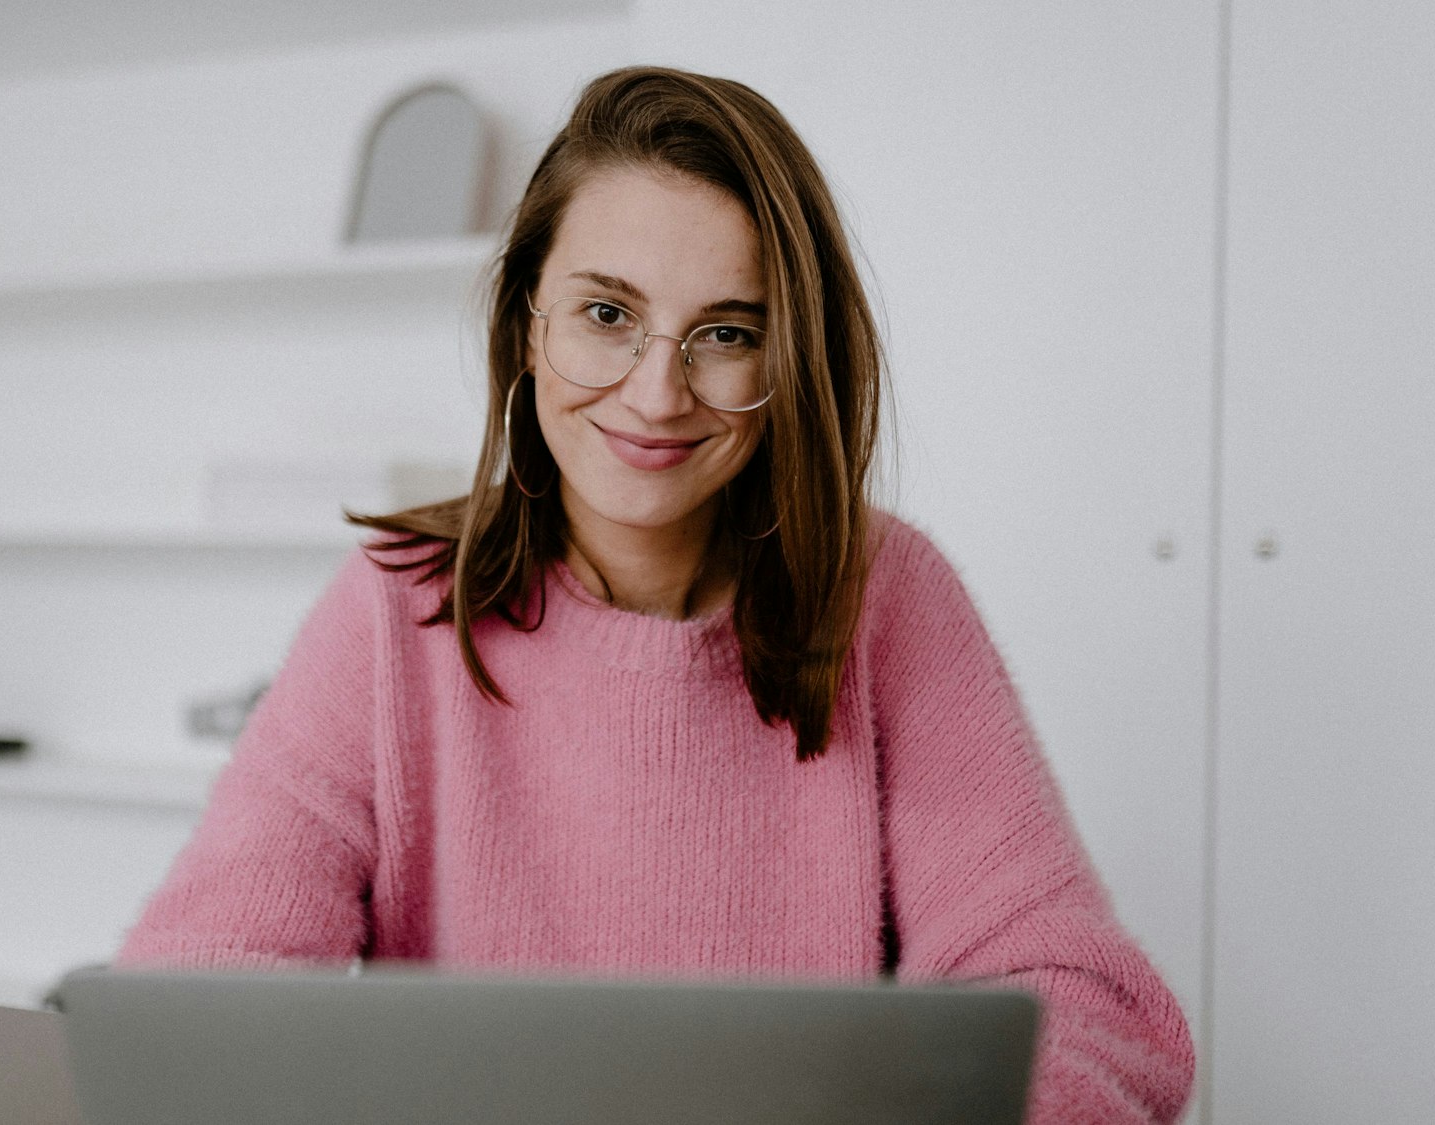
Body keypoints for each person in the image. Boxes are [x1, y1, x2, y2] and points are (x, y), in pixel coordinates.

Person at [119, 66, 1194, 1123]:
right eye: (605, 314)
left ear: (789, 357)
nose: (655, 392)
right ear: (527, 324)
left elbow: (1084, 1009)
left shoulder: (885, 597)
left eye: (724, 333)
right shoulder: (393, 611)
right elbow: (201, 988)